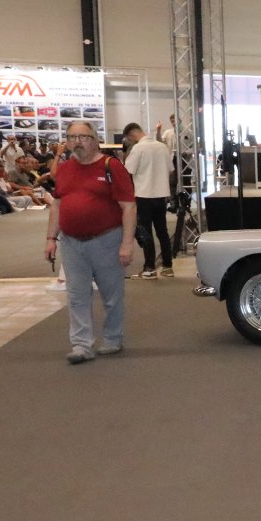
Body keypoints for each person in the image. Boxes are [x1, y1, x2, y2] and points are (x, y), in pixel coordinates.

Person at [45, 121, 135, 363]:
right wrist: (51, 238)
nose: (77, 142)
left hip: (107, 240)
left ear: (95, 140)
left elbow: (128, 207)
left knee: (112, 295)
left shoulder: (111, 166)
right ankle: (81, 345)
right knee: (76, 295)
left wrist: (127, 244)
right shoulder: (65, 169)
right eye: (72, 137)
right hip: (71, 243)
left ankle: (113, 339)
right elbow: (57, 204)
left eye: (83, 137)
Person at [121, 122, 173, 279]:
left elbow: (128, 170)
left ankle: (149, 268)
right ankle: (168, 267)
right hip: (161, 195)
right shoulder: (162, 147)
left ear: (131, 135)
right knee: (162, 231)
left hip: (144, 195)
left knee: (145, 231)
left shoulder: (138, 149)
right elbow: (171, 170)